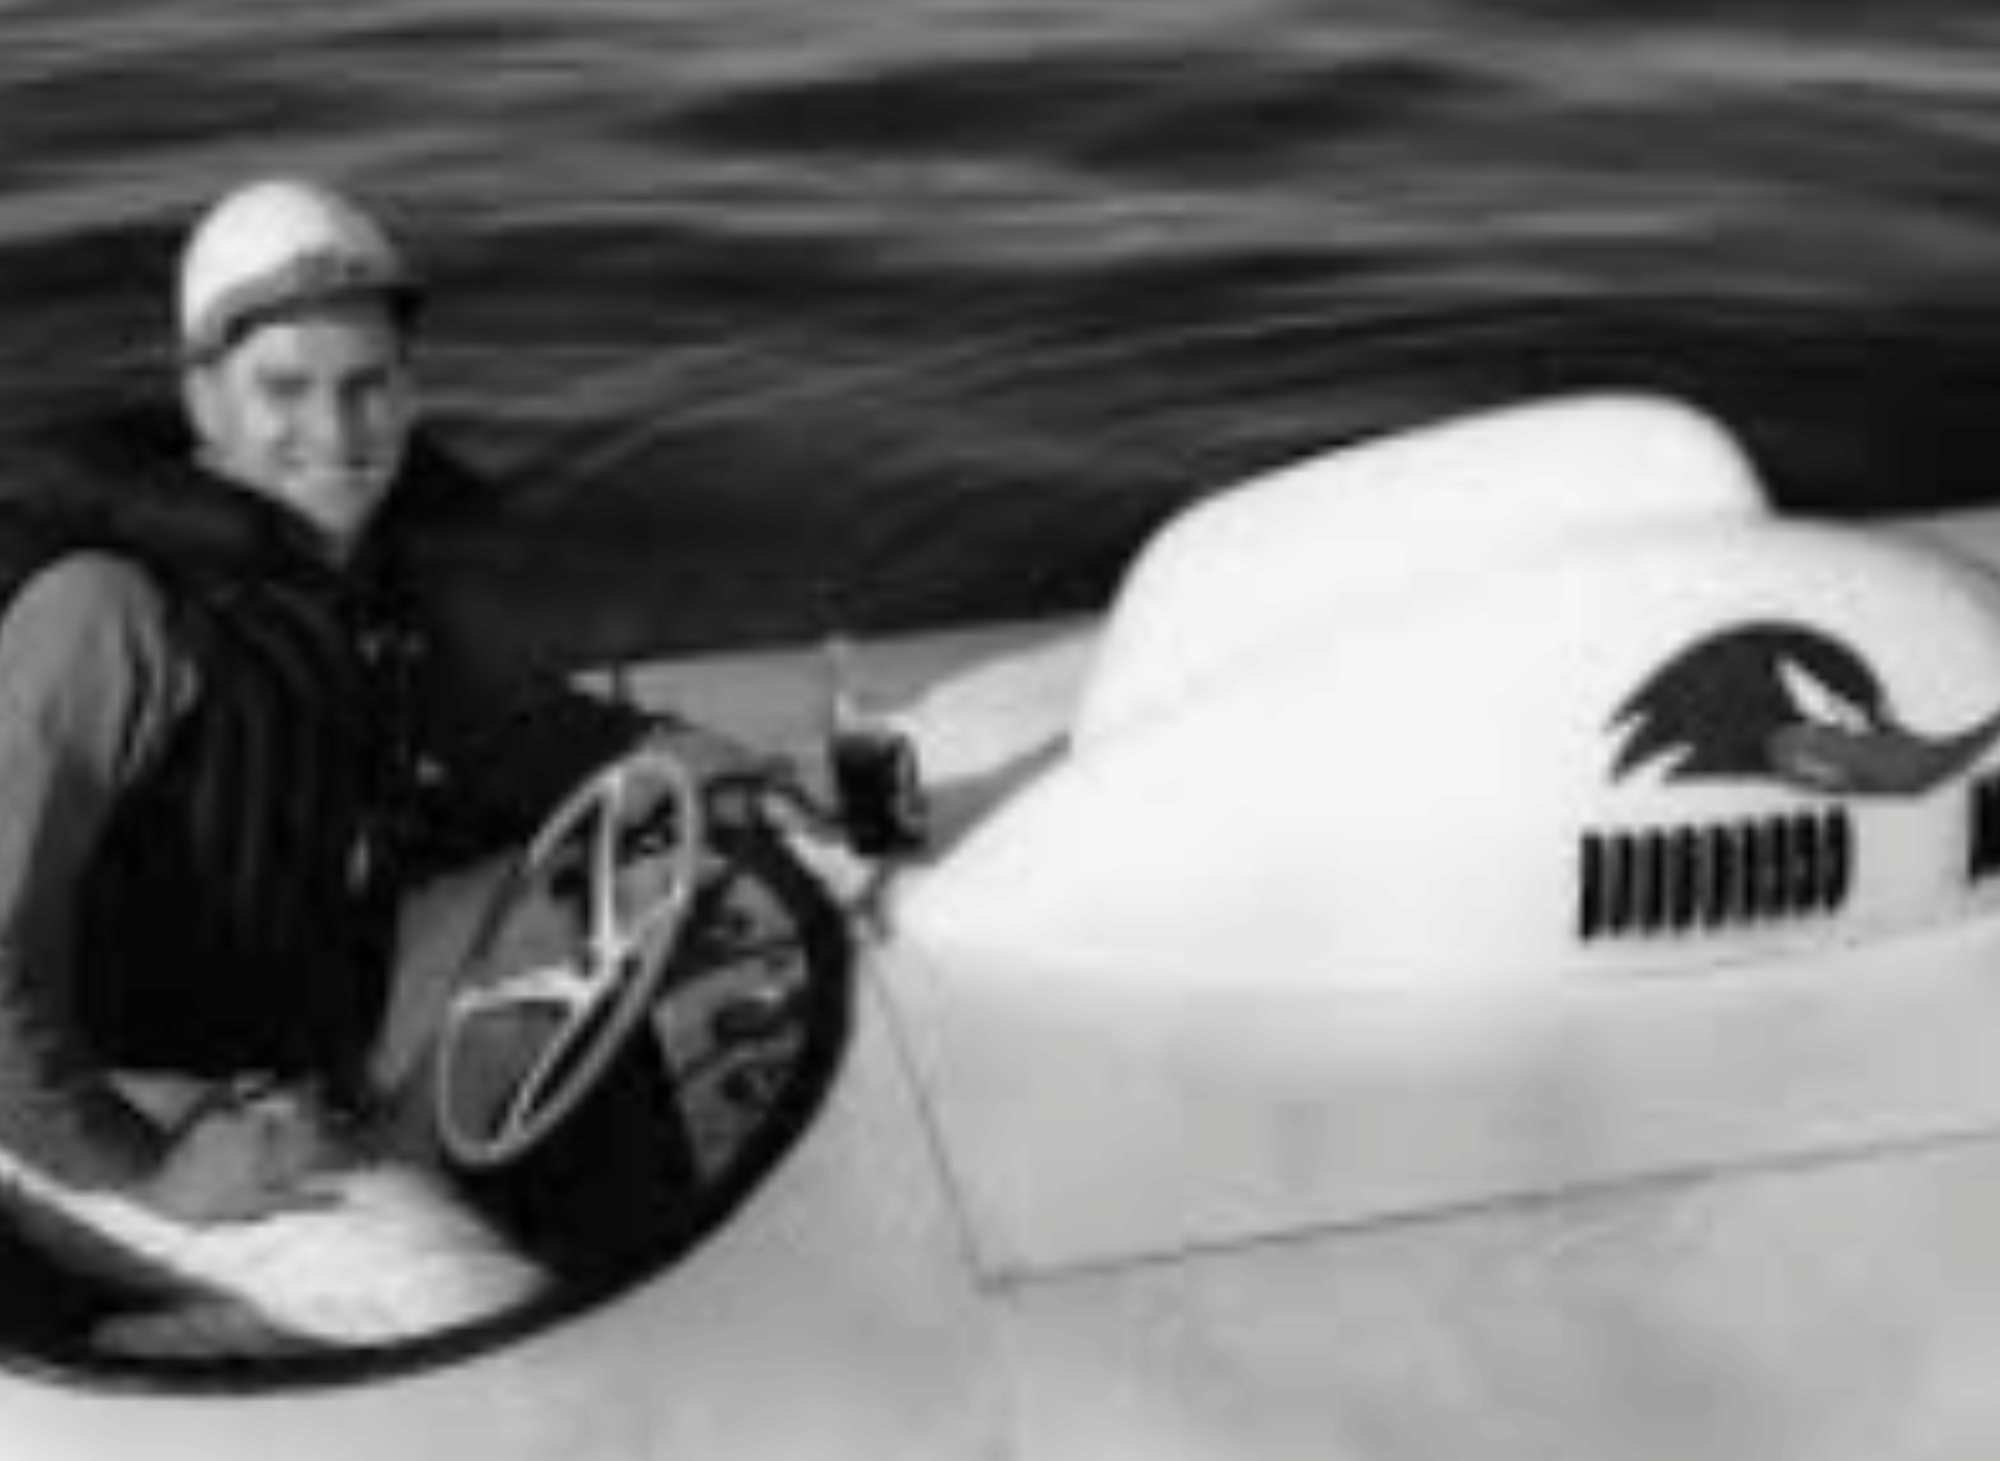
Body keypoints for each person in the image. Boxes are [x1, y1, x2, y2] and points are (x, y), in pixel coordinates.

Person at [0, 176, 735, 1350]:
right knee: (481, 1317)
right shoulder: (105, 617)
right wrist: (147, 1168)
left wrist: (703, 770)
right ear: (203, 398)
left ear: (410, 386)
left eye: (367, 384)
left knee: (618, 872)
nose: (337, 434)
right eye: (284, 390)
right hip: (80, 1115)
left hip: (296, 1058)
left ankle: (498, 1212)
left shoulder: (361, 589)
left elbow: (507, 734)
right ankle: (157, 1344)